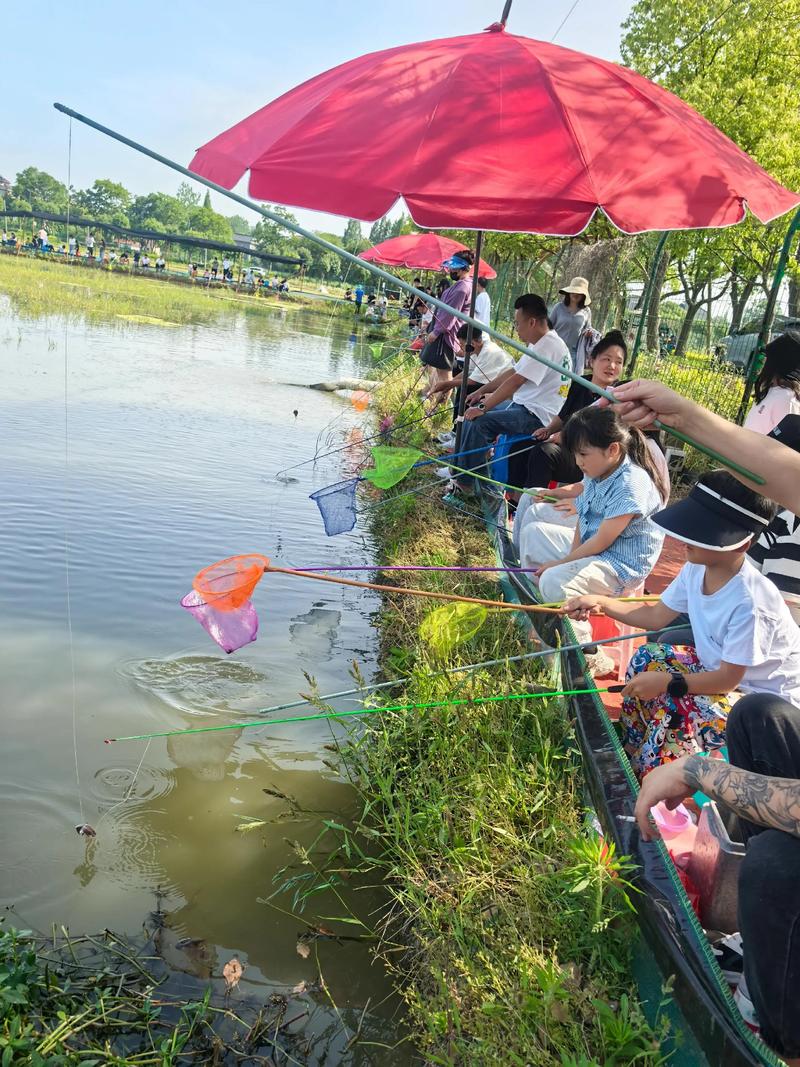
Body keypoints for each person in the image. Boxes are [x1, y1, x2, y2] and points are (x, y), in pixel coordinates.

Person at [566, 469, 800, 778]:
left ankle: (651, 780)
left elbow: (728, 680)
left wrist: (669, 682)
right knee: (648, 657)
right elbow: (654, 617)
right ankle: (631, 745)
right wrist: (602, 602)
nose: (685, 539)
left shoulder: (752, 603)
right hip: (719, 672)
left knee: (675, 706)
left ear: (742, 544)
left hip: (759, 703)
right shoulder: (697, 567)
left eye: (700, 533)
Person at [522, 406, 666, 654]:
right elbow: (584, 518)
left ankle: (585, 652)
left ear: (612, 450)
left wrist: (561, 564)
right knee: (533, 534)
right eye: (575, 454)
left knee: (554, 580)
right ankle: (540, 610)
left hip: (620, 566)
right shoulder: (599, 470)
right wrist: (569, 558)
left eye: (583, 454)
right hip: (599, 551)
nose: (578, 462)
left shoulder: (631, 483)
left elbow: (602, 541)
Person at [446, 293, 571, 500]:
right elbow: (513, 372)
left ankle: (465, 483)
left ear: (532, 322)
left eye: (517, 323)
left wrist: (484, 407)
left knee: (479, 422)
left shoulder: (548, 345)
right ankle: (461, 472)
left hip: (538, 417)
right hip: (525, 406)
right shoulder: (542, 342)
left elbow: (516, 381)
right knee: (470, 416)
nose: (516, 329)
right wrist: (481, 392)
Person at [508, 329, 628, 493]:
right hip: (566, 446)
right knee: (520, 447)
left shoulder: (617, 394)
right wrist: (549, 430)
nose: (612, 366)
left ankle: (534, 501)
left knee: (544, 453)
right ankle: (514, 500)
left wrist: (567, 436)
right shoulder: (579, 383)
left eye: (618, 362)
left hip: (589, 456)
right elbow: (563, 416)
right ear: (592, 361)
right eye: (606, 359)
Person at [427, 324, 514, 416]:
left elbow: (472, 381)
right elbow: (467, 371)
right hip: (493, 384)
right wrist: (449, 385)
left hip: (506, 391)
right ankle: (458, 420)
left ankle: (460, 421)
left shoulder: (488, 353)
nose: (460, 348)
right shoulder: (477, 350)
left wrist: (446, 384)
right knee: (464, 388)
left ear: (472, 344)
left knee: (466, 390)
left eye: (461, 344)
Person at [419, 252, 475, 395]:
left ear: (461, 269)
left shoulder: (462, 288)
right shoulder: (461, 285)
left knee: (445, 376)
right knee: (439, 371)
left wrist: (436, 331)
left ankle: (440, 405)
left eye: (453, 268)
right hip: (444, 333)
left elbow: (450, 314)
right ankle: (433, 399)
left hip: (446, 335)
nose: (450, 270)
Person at [743, 330, 800, 434]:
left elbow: (786, 441)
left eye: (767, 358)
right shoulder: (770, 391)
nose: (763, 361)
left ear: (775, 363)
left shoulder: (786, 400)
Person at [549, 276, 592, 374]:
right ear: (568, 292)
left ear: (584, 295)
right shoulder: (558, 307)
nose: (575, 294)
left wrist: (588, 333)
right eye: (573, 291)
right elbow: (548, 327)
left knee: (566, 380)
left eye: (579, 293)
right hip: (554, 350)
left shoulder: (587, 311)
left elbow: (588, 328)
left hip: (572, 355)